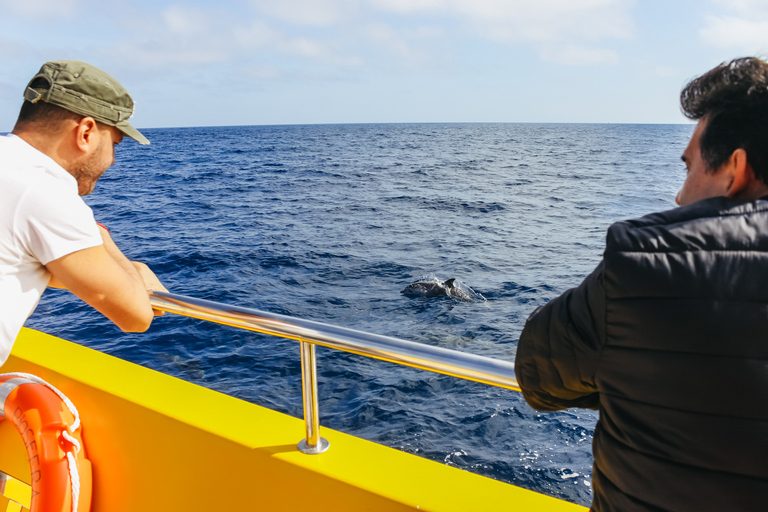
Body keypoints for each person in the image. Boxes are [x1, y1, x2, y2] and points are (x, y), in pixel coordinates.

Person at [514, 56, 768, 511]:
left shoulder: (645, 264)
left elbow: (536, 376)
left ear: (736, 169)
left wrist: (637, 374)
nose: (679, 193)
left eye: (688, 167)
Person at [0, 60, 166, 367]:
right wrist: (114, 251)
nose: (113, 160)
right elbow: (136, 316)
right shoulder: (41, 188)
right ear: (86, 132)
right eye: (114, 143)